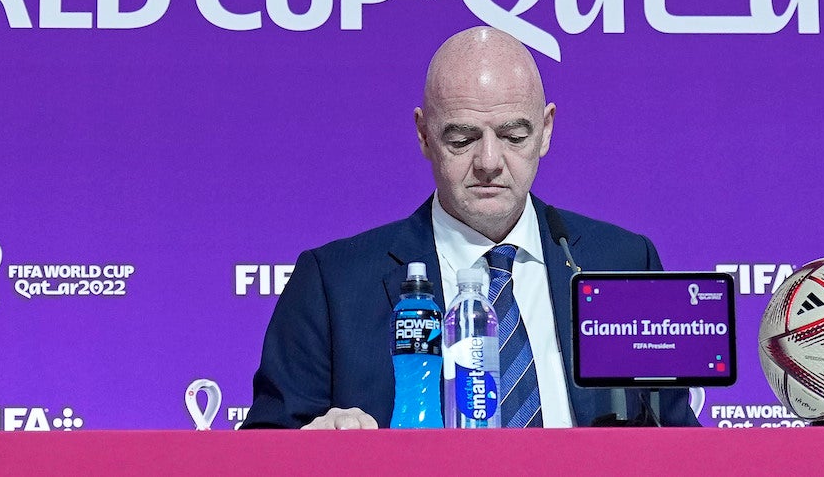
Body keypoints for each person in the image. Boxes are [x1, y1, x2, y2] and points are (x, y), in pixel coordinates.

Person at [244, 26, 697, 429]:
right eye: (461, 140)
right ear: (424, 135)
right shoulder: (334, 283)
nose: (488, 162)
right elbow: (261, 450)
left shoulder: (620, 262)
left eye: (513, 136)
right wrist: (311, 445)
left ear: (546, 131)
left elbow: (677, 445)